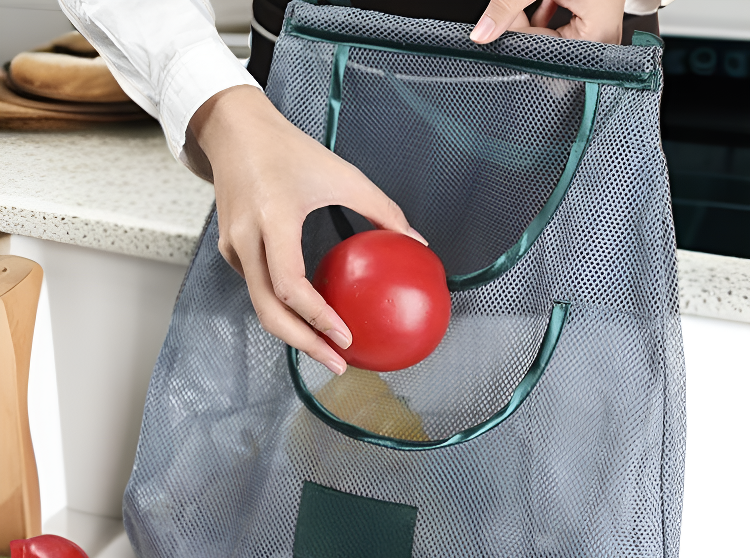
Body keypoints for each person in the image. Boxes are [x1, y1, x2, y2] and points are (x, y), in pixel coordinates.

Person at [59, 0, 671, 376]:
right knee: (303, 458)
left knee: (529, 463)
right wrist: (218, 108)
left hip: (565, 88)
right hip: (301, 130)